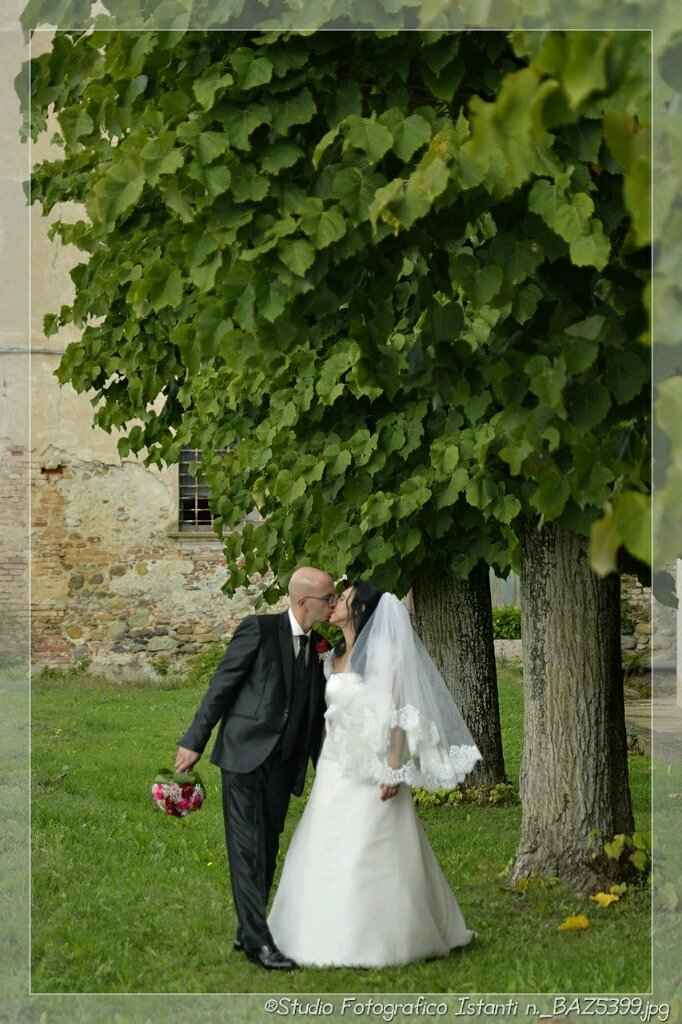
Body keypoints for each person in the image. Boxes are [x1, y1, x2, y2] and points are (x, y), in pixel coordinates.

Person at [267, 580, 482, 968]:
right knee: (327, 839)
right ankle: (316, 931)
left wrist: (393, 768)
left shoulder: (385, 654)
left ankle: (383, 937)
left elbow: (399, 713)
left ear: (360, 609)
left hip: (375, 764)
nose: (334, 604)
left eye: (343, 599)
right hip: (335, 764)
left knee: (372, 842)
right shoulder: (333, 654)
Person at [174, 566, 336, 971]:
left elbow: (316, 715)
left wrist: (326, 768)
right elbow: (222, 686)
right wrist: (194, 741)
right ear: (303, 601)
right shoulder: (259, 631)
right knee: (247, 849)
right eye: (328, 598)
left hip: (284, 763)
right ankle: (259, 944)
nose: (333, 605)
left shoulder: (321, 647)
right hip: (244, 755)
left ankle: (247, 928)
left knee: (267, 847)